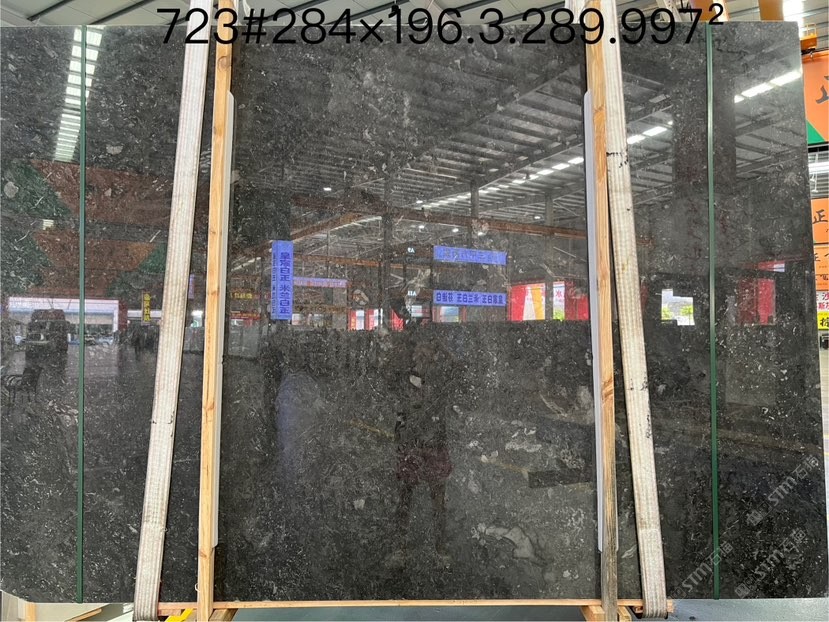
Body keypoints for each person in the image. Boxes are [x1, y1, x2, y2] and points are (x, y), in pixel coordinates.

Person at [388, 334, 457, 568]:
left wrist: (444, 350)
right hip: (411, 443)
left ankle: (440, 548)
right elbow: (400, 406)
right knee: (405, 496)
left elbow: (458, 370)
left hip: (435, 444)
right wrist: (399, 434)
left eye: (427, 349)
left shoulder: (440, 378)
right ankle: (400, 548)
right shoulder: (408, 377)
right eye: (419, 349)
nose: (422, 354)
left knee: (438, 500)